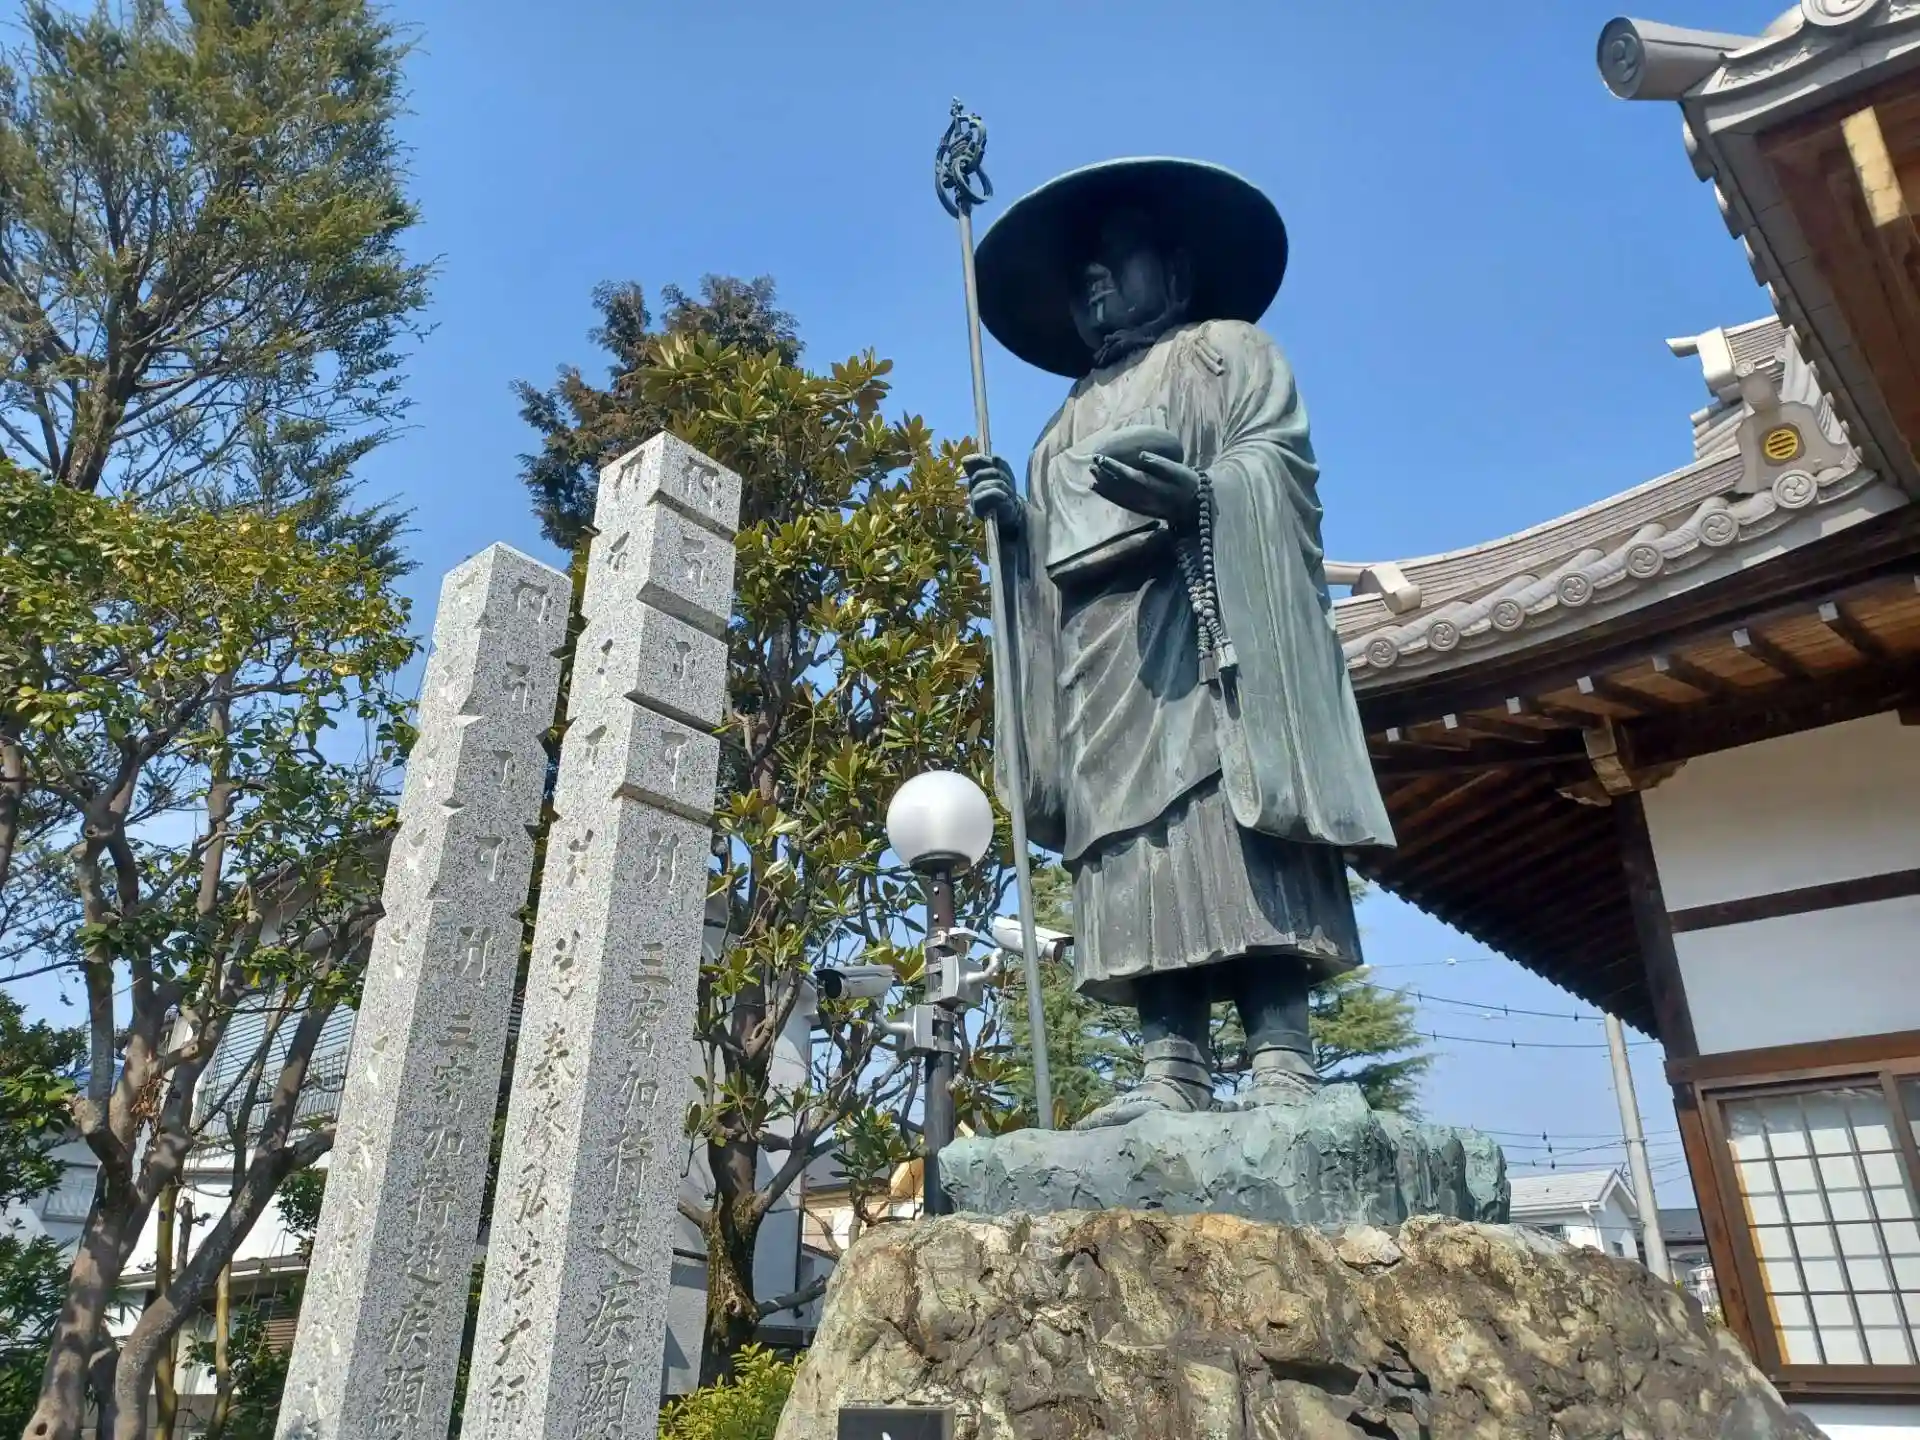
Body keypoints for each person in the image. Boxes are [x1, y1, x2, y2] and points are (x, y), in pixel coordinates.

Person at [964, 158, 1394, 1130]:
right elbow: (1049, 568)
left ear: (1177, 269)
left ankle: (1282, 1054)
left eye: (1114, 259)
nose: (1095, 283)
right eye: (1080, 275)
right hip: (1100, 661)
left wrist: (1201, 499)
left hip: (1210, 630)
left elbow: (1277, 471)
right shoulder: (1059, 427)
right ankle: (1171, 1064)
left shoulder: (1227, 355)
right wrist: (1015, 537)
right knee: (1130, 849)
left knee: (1232, 826)